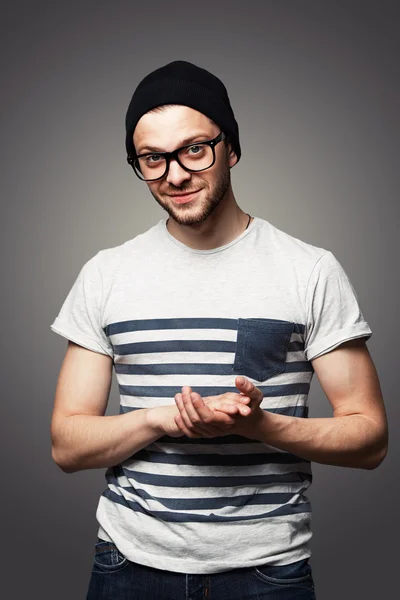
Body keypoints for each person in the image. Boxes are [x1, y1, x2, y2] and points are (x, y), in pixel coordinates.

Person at [50, 60, 388, 600]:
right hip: (127, 566)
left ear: (230, 148)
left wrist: (260, 427)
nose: (175, 175)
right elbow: (67, 444)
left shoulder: (308, 270)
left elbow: (369, 439)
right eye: (152, 159)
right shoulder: (106, 273)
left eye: (193, 149)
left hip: (269, 573)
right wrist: (164, 418)